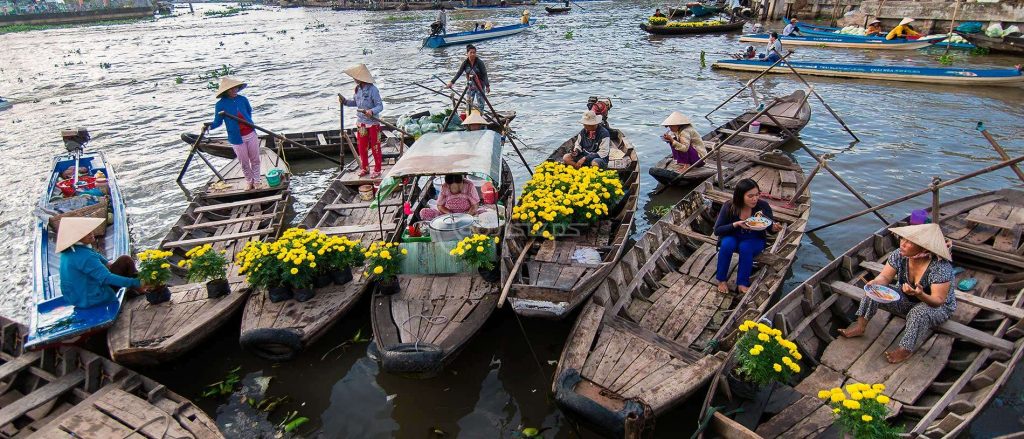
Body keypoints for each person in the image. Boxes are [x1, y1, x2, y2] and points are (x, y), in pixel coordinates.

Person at [838, 224, 956, 364]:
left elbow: (938, 300)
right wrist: (876, 282)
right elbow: (885, 278)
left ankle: (905, 350)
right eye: (902, 239)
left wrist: (920, 295)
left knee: (918, 313)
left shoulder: (940, 267)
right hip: (906, 299)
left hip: (937, 308)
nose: (903, 244)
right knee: (873, 292)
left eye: (910, 242)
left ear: (924, 248)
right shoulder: (899, 255)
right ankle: (860, 327)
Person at [713, 179, 782, 294]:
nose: (755, 199)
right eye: (750, 196)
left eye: (757, 194)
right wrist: (736, 224)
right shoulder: (729, 206)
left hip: (754, 238)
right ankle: (721, 280)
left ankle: (742, 283)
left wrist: (774, 228)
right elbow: (717, 230)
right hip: (733, 235)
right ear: (740, 196)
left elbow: (769, 226)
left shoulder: (763, 206)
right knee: (726, 244)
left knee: (746, 247)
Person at [57, 217, 144, 308]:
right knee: (126, 261)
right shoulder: (86, 257)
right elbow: (106, 278)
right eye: (86, 234)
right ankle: (140, 287)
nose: (91, 234)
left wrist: (106, 263)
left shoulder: (69, 252)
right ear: (76, 238)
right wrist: (136, 282)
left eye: (90, 231)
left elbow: (96, 255)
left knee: (121, 261)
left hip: (76, 298)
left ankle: (136, 288)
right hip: (93, 299)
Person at [207, 77, 261, 191]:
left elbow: (248, 112)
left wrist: (248, 123)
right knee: (244, 162)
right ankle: (249, 181)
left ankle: (257, 181)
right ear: (226, 91)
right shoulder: (220, 105)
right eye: (231, 89)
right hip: (236, 138)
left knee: (255, 159)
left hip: (250, 133)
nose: (234, 90)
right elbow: (218, 122)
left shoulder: (243, 100)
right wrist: (209, 126)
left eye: (235, 88)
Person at [341, 63, 385, 178]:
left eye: (355, 77)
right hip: (361, 123)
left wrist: (371, 111)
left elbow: (380, 106)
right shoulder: (357, 89)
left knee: (375, 146)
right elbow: (355, 103)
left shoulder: (373, 90)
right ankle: (364, 168)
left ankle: (377, 169)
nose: (354, 79)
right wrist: (345, 102)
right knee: (362, 147)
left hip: (373, 123)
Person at [448, 44, 490, 113]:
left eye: (474, 53)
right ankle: (469, 118)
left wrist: (487, 86)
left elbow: (484, 74)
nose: (473, 54)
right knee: (469, 103)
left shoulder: (479, 62)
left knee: (481, 104)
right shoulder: (465, 63)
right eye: (471, 52)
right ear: (467, 53)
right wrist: (452, 82)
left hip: (480, 85)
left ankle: (480, 118)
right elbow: (459, 73)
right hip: (470, 86)